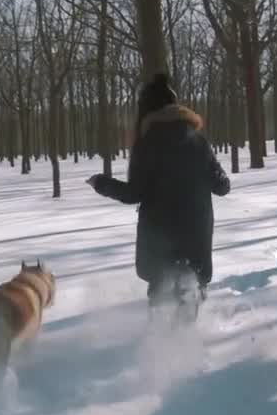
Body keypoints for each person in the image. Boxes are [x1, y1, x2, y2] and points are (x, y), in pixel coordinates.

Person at [87, 72, 231, 323]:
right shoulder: (199, 142)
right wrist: (214, 172)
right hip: (195, 235)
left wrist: (101, 183)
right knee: (189, 291)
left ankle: (158, 348)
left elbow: (134, 194)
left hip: (160, 239)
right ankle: (188, 345)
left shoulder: (146, 144)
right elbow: (223, 187)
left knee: (161, 301)